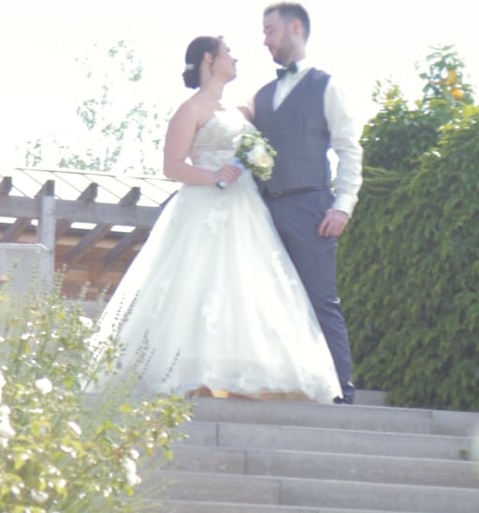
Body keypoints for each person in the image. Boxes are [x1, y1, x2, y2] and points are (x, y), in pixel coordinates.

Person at [87, 35, 342, 404]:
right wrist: (214, 176)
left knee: (247, 284)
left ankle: (242, 376)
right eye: (229, 53)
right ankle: (188, 374)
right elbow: (172, 165)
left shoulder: (239, 110)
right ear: (210, 58)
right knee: (197, 282)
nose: (236, 59)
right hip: (203, 207)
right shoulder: (191, 109)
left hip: (247, 209)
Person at [253, 2, 361, 404]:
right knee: (266, 299)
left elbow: (349, 149)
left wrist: (342, 205)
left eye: (270, 31)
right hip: (261, 210)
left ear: (295, 28)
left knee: (320, 298)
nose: (265, 40)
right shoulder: (261, 96)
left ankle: (342, 391)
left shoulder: (326, 86)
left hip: (311, 206)